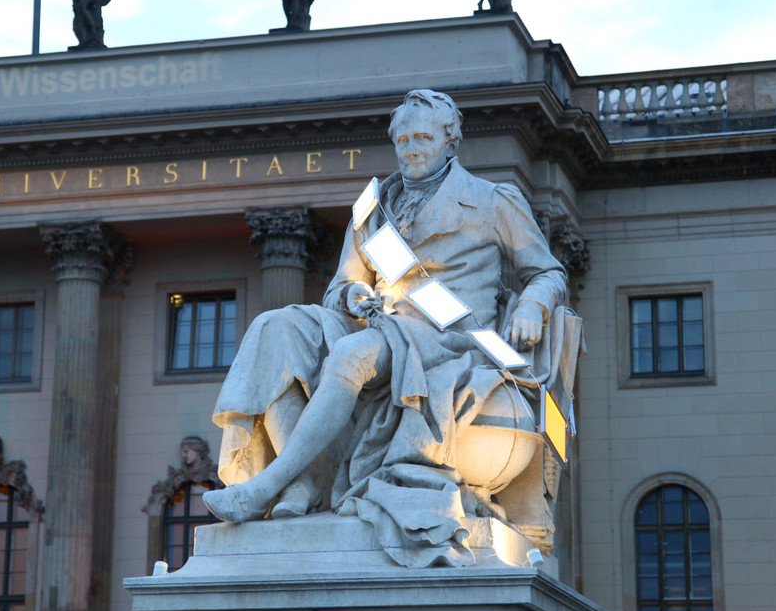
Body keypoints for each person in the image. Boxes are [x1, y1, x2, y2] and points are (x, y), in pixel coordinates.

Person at [204, 90, 568, 566]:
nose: (411, 148)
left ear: (450, 140)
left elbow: (548, 272)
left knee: (351, 355)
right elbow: (340, 287)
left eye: (422, 137)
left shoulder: (493, 201)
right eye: (402, 139)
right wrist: (353, 295)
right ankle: (299, 481)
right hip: (381, 325)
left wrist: (534, 305)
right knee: (278, 327)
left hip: (452, 339)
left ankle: (264, 487)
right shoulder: (371, 210)